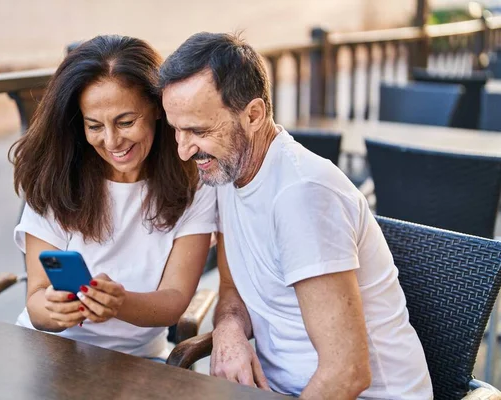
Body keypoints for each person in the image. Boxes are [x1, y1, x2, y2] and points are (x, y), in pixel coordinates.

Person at [159, 32, 433, 399]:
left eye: (199, 131)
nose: (183, 151)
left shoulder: (302, 195)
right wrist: (228, 329)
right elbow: (232, 286)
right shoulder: (226, 171)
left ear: (253, 115)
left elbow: (346, 373)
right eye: (176, 130)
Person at [10, 35, 216, 361]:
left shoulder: (195, 185)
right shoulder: (58, 178)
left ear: (157, 108)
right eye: (94, 126)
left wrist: (120, 303)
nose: (111, 141)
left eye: (126, 122)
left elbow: (174, 300)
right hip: (49, 353)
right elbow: (36, 301)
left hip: (138, 364)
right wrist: (50, 310)